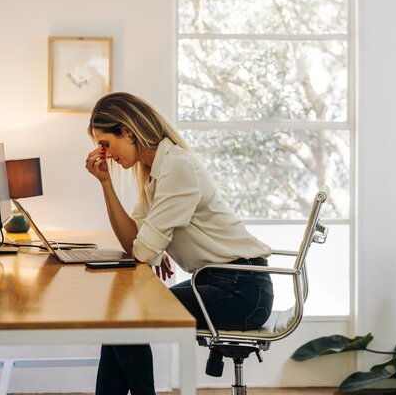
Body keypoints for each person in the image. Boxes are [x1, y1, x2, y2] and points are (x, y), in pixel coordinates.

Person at [85, 92, 273, 395]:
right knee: (119, 318)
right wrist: (106, 183)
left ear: (128, 132)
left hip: (242, 289)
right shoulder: (153, 173)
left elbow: (143, 251)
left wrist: (153, 246)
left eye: (105, 143)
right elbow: (134, 241)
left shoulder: (177, 167)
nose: (103, 153)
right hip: (218, 281)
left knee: (125, 316)